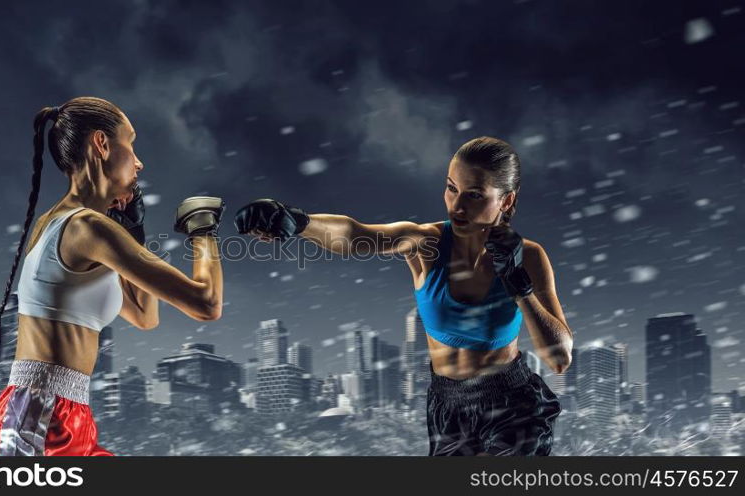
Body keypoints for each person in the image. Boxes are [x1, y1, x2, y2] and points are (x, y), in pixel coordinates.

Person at [234, 136, 572, 456]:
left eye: (473, 194)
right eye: (451, 188)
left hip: (512, 403)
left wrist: (519, 287)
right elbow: (357, 236)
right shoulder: (425, 243)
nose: (456, 205)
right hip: (446, 406)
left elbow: (559, 357)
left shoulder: (530, 256)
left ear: (506, 200)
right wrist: (298, 221)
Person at [0, 97, 225, 456]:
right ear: (102, 144)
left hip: (63, 414)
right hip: (37, 420)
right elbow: (206, 303)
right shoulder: (85, 227)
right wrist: (203, 229)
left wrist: (134, 229)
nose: (139, 161)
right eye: (131, 142)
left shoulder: (77, 226)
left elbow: (144, 316)